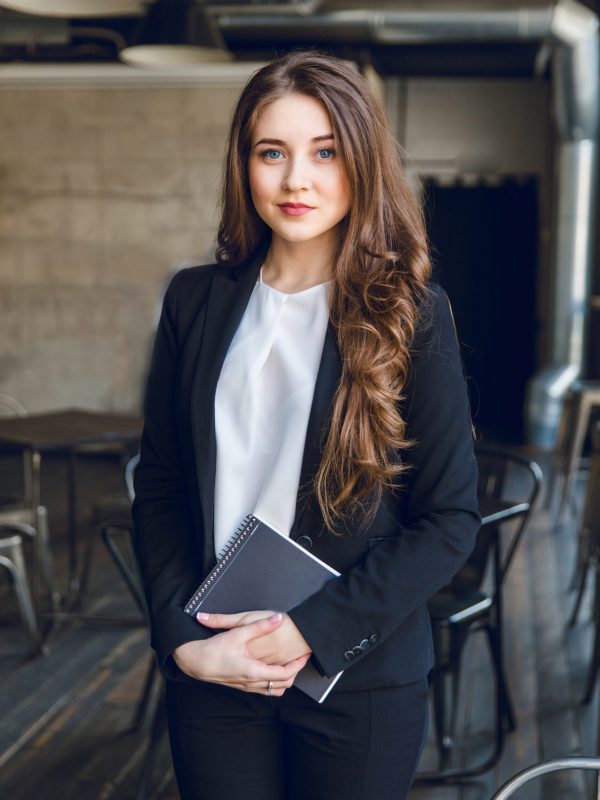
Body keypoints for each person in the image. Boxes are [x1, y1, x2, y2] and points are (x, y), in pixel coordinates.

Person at [132, 49, 481, 800]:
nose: (297, 179)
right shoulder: (194, 302)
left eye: (325, 152)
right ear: (244, 165)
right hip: (215, 667)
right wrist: (183, 640)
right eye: (273, 153)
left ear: (360, 161)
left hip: (355, 679)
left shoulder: (413, 315)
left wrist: (311, 631)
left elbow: (449, 520)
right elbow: (159, 487)